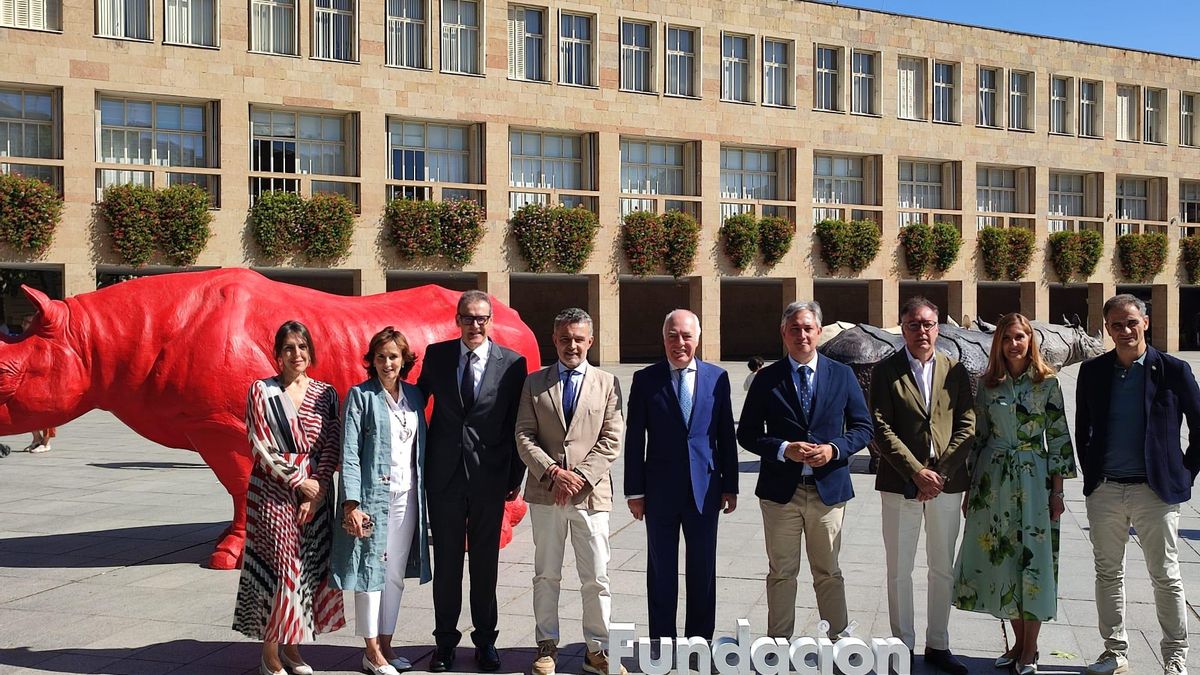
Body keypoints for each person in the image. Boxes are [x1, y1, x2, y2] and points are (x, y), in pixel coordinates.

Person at [1075, 294, 1200, 675]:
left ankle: (1175, 656)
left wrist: (1183, 474)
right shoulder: (1093, 371)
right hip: (1107, 490)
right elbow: (1083, 429)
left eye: (1131, 322)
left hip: (1154, 492)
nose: (1125, 330)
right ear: (1107, 329)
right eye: (1116, 325)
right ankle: (1114, 652)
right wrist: (1093, 477)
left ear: (1145, 322)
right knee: (1107, 572)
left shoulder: (1173, 370)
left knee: (1166, 575)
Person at [737, 300, 873, 641]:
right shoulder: (766, 379)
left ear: (819, 332)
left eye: (808, 328)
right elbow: (747, 433)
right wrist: (784, 448)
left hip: (828, 492)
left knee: (828, 571)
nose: (802, 335)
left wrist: (834, 449)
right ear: (783, 333)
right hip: (781, 494)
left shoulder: (842, 375)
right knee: (781, 572)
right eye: (794, 329)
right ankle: (778, 644)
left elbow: (863, 427)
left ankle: (840, 642)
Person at [953, 313, 1075, 675]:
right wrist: (971, 489)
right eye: (1006, 338)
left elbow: (1058, 439)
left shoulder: (1047, 383)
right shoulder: (988, 384)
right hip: (993, 482)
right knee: (1002, 560)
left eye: (1020, 337)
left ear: (1030, 340)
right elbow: (979, 438)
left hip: (1035, 480)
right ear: (998, 344)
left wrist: (1058, 493)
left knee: (1033, 561)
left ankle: (1031, 648)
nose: (1013, 344)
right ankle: (1018, 644)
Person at [417, 289, 528, 673]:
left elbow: (517, 424)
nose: (475, 324)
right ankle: (445, 644)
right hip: (444, 478)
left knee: (485, 566)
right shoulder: (437, 356)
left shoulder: (512, 364)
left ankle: (485, 642)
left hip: (489, 479)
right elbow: (415, 401)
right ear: (457, 320)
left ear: (490, 320)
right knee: (447, 565)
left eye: (481, 318)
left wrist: (515, 475)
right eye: (468, 317)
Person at [515, 308, 627, 675]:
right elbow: (524, 435)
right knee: (546, 574)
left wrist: (578, 477)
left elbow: (612, 439)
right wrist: (552, 472)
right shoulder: (535, 383)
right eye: (565, 339)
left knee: (597, 576)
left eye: (579, 339)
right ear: (554, 340)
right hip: (547, 493)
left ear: (590, 341)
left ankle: (598, 650)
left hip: (590, 495)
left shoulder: (607, 383)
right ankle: (546, 646)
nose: (572, 345)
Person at [233, 321, 345, 675]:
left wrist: (319, 488)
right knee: (281, 569)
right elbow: (260, 444)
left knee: (308, 568)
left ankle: (292, 647)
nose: (296, 354)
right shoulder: (262, 391)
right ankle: (270, 652)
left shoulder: (326, 394)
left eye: (302, 347)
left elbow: (332, 442)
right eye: (289, 348)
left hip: (317, 493)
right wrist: (299, 481)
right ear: (278, 355)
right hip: (273, 491)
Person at [870, 297, 974, 675]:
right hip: (901, 483)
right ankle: (902, 646)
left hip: (946, 484)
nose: (921, 331)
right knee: (899, 569)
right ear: (903, 329)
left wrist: (939, 473)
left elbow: (967, 424)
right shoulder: (886, 371)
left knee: (942, 568)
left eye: (928, 324)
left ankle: (938, 644)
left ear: (938, 328)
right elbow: (881, 426)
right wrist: (915, 472)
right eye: (913, 325)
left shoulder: (955, 370)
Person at [625, 309, 738, 645]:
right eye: (672, 335)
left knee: (702, 568)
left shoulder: (717, 378)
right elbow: (635, 439)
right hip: (659, 491)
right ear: (663, 339)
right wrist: (635, 491)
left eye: (687, 336)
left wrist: (730, 485)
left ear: (697, 339)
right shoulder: (645, 380)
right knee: (661, 569)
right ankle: (662, 642)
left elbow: (725, 435)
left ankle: (699, 641)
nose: (680, 343)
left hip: (705, 489)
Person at [333, 327, 432, 675]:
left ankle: (387, 644)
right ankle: (371, 651)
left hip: (408, 496)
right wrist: (352, 503)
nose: (387, 363)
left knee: (394, 573)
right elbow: (349, 452)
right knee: (369, 572)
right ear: (372, 361)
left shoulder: (414, 396)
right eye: (380, 357)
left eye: (393, 356)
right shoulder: (360, 396)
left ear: (404, 360)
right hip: (373, 498)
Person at [20, 314, 54, 454]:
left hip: (44, 381)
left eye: (27, 322)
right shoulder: (23, 339)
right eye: (23, 322)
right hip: (27, 380)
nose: (24, 325)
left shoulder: (42, 339)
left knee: (46, 413)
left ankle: (46, 442)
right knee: (27, 411)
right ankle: (36, 438)